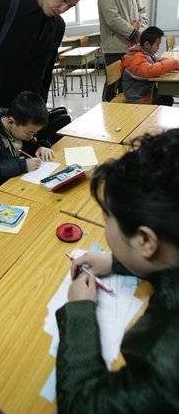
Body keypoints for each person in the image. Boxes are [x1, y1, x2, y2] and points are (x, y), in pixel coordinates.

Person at [55, 128, 179, 413]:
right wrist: (118, 261)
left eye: (107, 217)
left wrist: (80, 311)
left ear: (146, 240)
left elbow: (82, 404)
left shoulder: (166, 370)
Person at [0, 91, 54, 192]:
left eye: (35, 133)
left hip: (17, 183)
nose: (32, 136)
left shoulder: (22, 126)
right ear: (11, 122)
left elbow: (30, 143)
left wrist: (39, 147)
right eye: (30, 133)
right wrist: (22, 165)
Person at [98, 0, 148, 101]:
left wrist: (142, 33)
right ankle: (106, 115)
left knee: (128, 88)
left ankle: (124, 119)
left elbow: (142, 14)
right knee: (113, 88)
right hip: (115, 48)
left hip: (132, 48)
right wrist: (134, 34)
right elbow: (112, 19)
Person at [121, 26, 179, 105]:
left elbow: (158, 59)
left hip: (147, 92)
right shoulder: (134, 58)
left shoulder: (145, 52)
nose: (158, 48)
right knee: (166, 101)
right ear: (147, 44)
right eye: (157, 45)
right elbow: (150, 70)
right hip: (138, 98)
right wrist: (174, 63)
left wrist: (175, 64)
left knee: (167, 98)